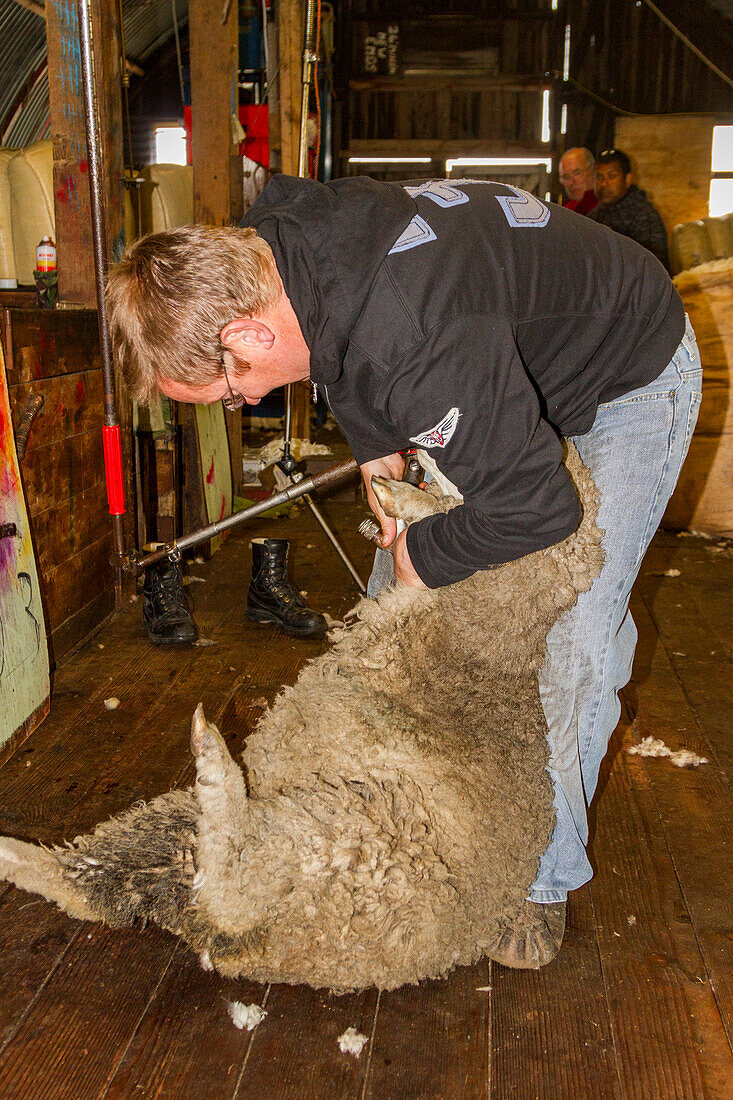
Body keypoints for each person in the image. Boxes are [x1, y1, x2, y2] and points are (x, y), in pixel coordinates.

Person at [107, 176, 701, 969]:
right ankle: (381, 806)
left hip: (622, 372)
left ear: (246, 336)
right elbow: (338, 336)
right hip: (491, 352)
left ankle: (540, 879)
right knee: (391, 609)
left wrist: (425, 553)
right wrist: (371, 438)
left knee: (576, 641)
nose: (235, 403)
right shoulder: (273, 241)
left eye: (224, 391)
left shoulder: (416, 341)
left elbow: (537, 510)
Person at [590, 148, 670, 270]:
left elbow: (652, 269)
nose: (604, 184)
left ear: (627, 180)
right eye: (600, 177)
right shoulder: (593, 217)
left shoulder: (645, 216)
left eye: (612, 176)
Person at [558, 147, 598, 215]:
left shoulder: (606, 208)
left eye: (577, 173)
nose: (571, 182)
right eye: (566, 177)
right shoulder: (564, 212)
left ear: (593, 171)